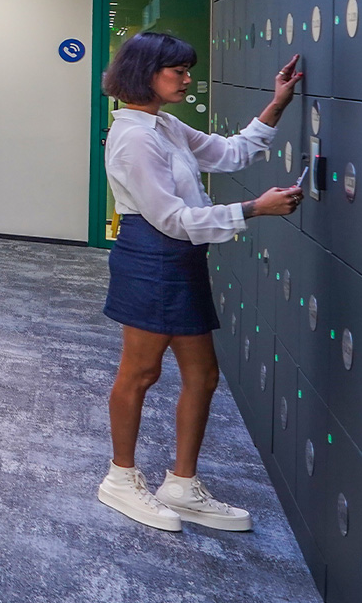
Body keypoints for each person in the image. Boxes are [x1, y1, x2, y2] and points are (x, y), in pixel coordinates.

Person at [96, 32, 304, 534]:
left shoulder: (164, 125)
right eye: (179, 71)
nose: (188, 79)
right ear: (146, 73)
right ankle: (120, 478)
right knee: (140, 373)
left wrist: (277, 102)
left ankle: (181, 484)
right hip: (151, 258)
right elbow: (171, 218)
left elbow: (229, 154)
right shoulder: (134, 137)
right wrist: (254, 209)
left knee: (204, 375)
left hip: (181, 258)